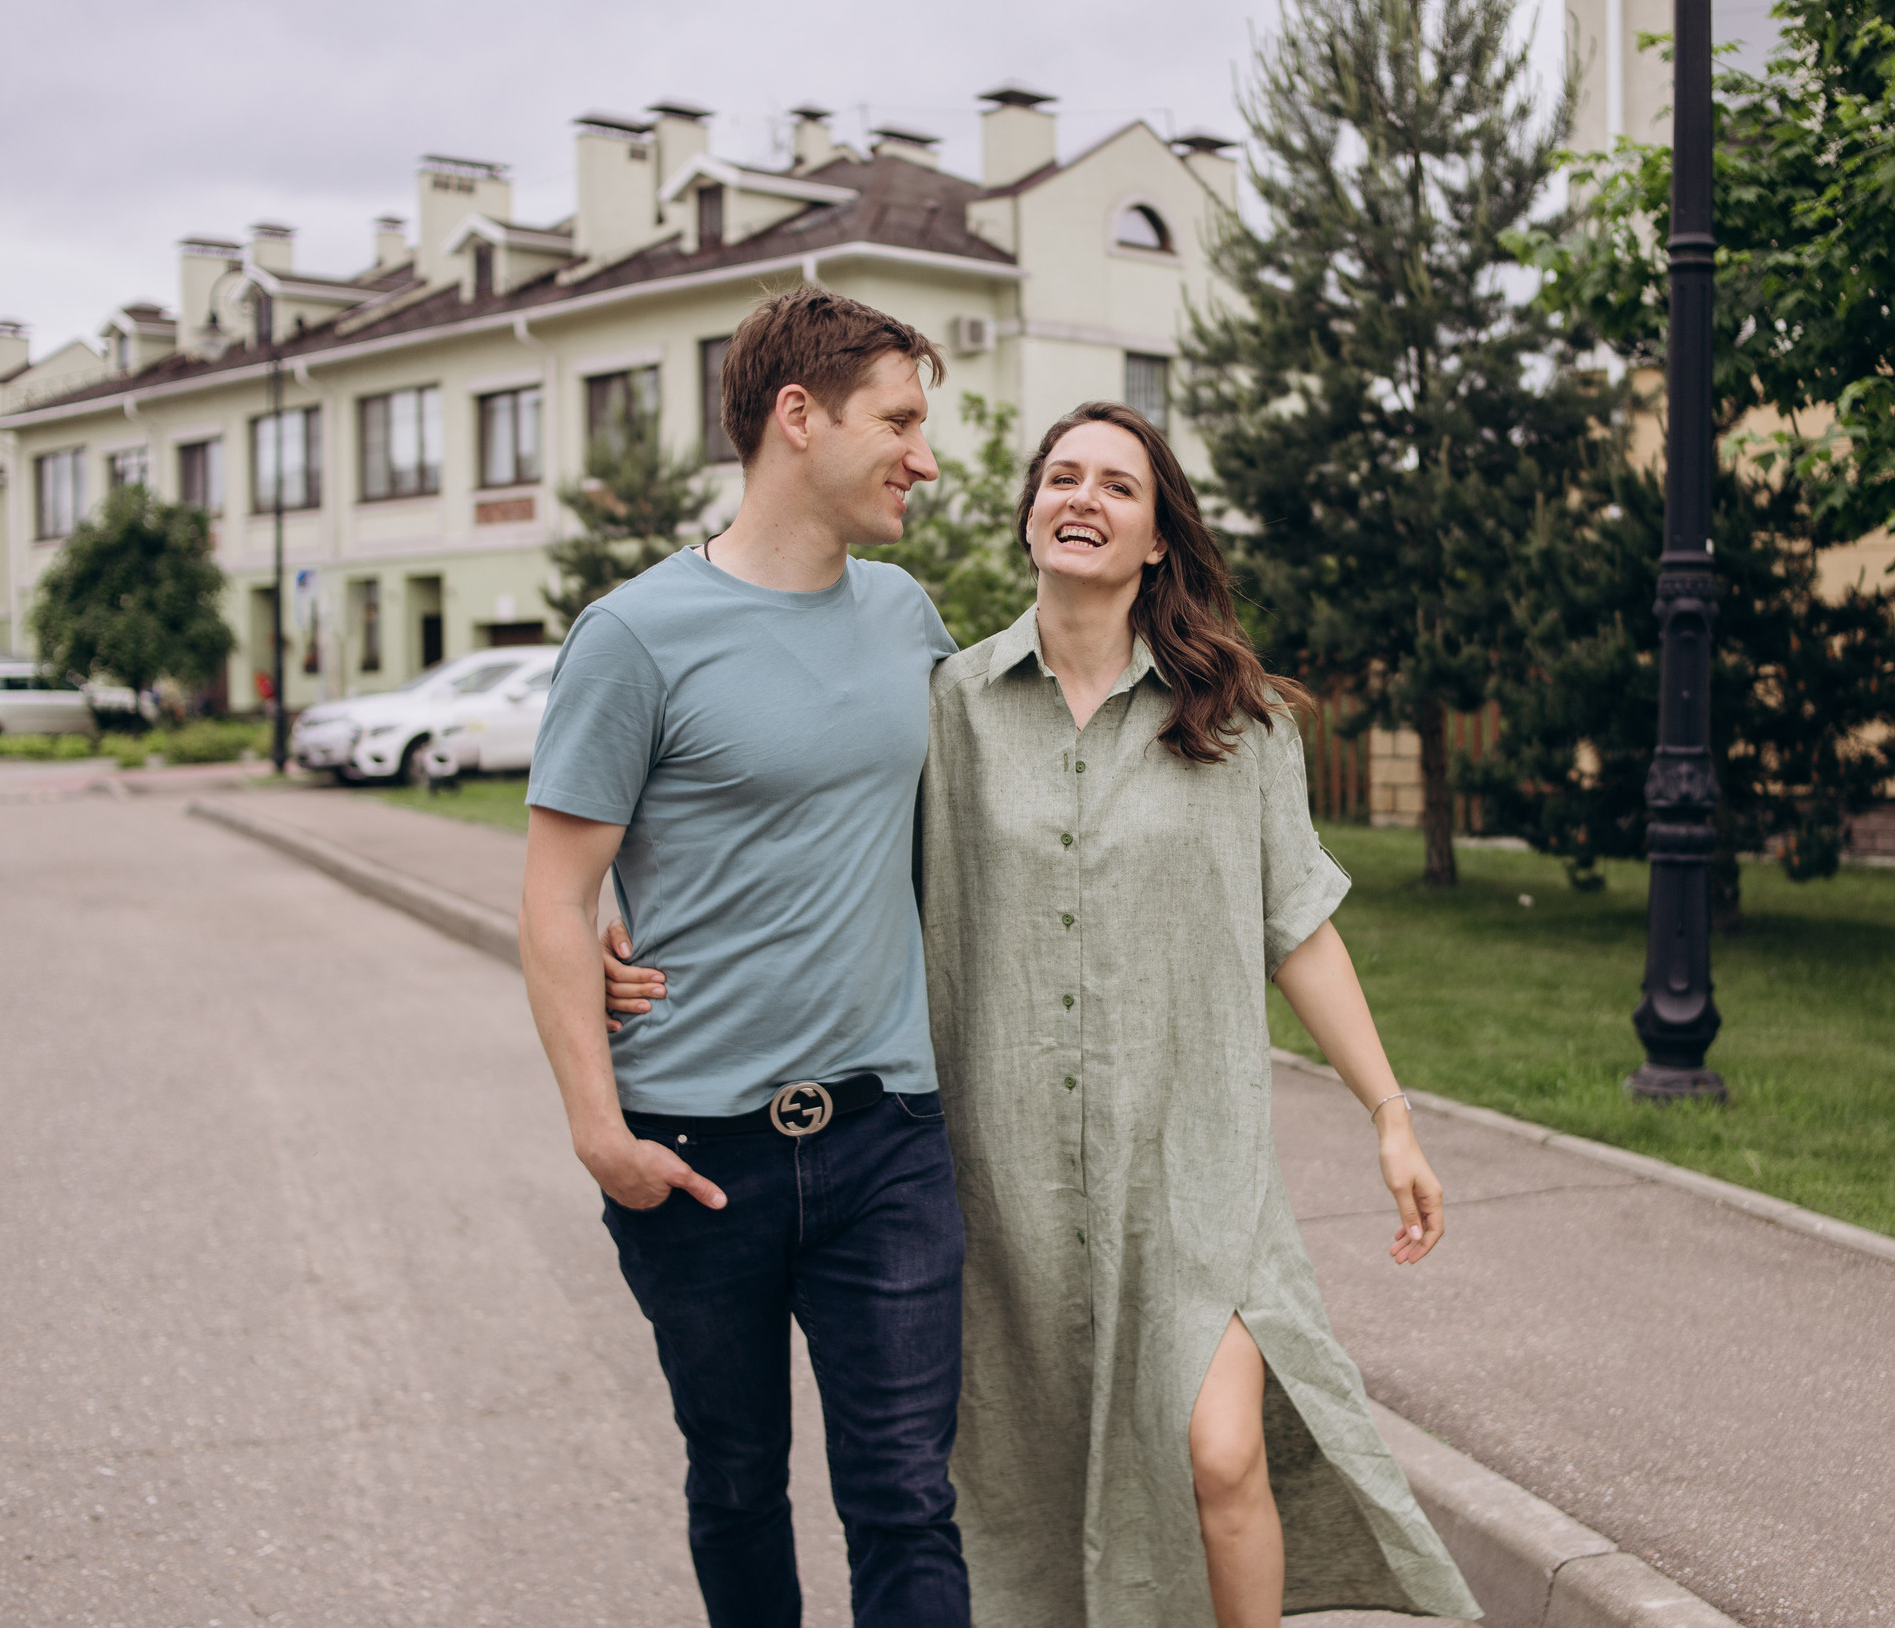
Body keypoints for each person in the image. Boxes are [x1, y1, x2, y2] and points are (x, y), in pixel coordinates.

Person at [610, 403, 1479, 1627]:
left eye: (1118, 486)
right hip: (1000, 1178)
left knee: (1222, 1453)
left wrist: (1390, 1112)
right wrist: (617, 904)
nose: (1083, 498)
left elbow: (1302, 928)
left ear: (1159, 536)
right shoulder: (943, 709)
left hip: (1193, 1173)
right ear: (1030, 514)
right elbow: (799, 830)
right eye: (1061, 476)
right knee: (1016, 1488)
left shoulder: (1239, 723)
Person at [519, 288, 969, 1628]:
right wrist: (601, 1132)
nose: (924, 458)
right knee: (736, 1477)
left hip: (886, 1131)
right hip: (695, 1153)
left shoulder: (908, 617)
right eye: (898, 420)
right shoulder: (636, 636)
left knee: (903, 1493)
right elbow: (555, 895)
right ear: (798, 418)